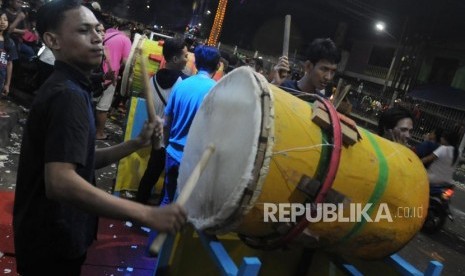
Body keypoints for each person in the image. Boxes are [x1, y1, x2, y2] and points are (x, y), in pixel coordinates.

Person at [13, 1, 186, 274]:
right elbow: (60, 182)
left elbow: (83, 160)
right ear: (52, 40)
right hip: (51, 240)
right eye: (84, 30)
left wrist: (134, 144)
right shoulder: (67, 95)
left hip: (50, 236)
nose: (97, 38)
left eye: (98, 29)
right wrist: (146, 213)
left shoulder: (72, 87)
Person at [162, 45, 220, 205]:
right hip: (194, 160)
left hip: (172, 154)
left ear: (196, 63)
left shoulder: (181, 84)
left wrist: (168, 146)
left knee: (167, 200)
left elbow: (166, 122)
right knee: (185, 208)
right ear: (217, 66)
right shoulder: (217, 91)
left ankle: (157, 229)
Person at [136, 37, 189, 204]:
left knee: (151, 173)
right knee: (170, 179)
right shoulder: (184, 83)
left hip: (157, 136)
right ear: (175, 59)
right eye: (185, 56)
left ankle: (139, 204)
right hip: (173, 139)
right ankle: (160, 210)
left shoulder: (152, 79)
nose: (187, 60)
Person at [94, 19, 131, 140]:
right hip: (110, 76)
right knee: (103, 107)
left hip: (94, 72)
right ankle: (99, 133)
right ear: (128, 34)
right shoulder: (126, 40)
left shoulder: (105, 34)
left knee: (91, 102)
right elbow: (126, 62)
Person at [0, 8, 18, 96]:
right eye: (0, 19)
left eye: (5, 20)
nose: (3, 22)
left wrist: (7, 84)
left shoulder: (9, 42)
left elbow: (9, 63)